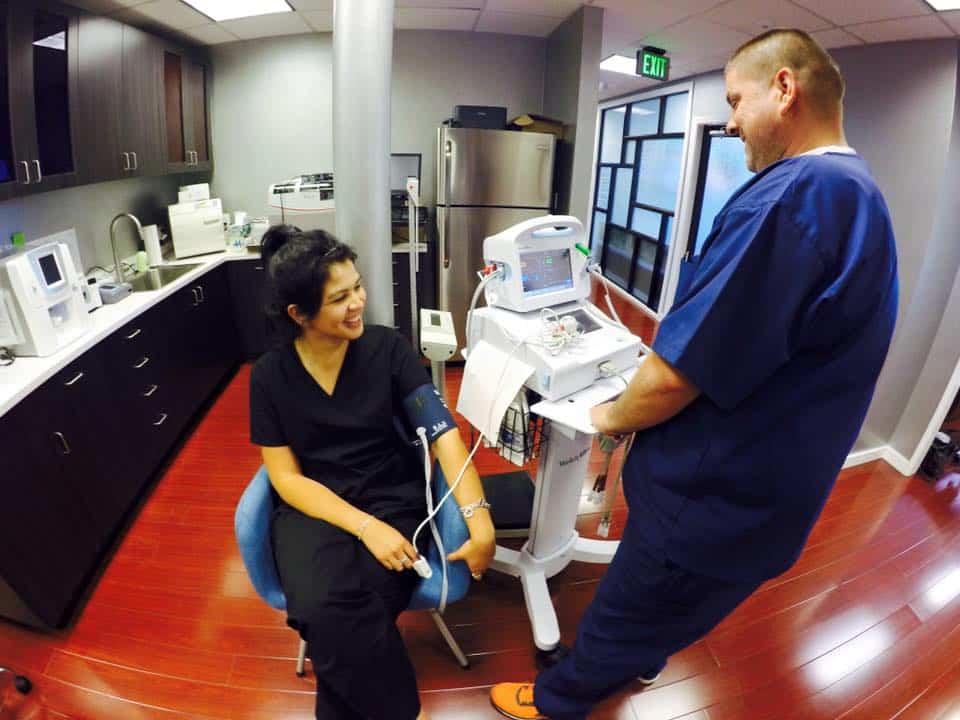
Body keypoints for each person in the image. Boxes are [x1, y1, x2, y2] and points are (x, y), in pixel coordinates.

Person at [490, 28, 898, 720]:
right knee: (670, 611)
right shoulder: (860, 194)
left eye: (736, 99)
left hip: (710, 500)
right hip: (767, 500)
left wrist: (605, 419)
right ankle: (641, 661)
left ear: (785, 89)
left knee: (631, 605)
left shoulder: (789, 199)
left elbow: (681, 370)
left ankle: (558, 701)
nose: (730, 119)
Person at [249, 226, 496, 720]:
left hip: (392, 497)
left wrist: (479, 517)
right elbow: (286, 479)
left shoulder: (388, 350)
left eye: (357, 287)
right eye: (339, 297)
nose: (358, 302)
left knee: (343, 619)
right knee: (324, 610)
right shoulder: (270, 376)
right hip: (313, 507)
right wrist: (364, 527)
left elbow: (443, 432)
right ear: (299, 314)